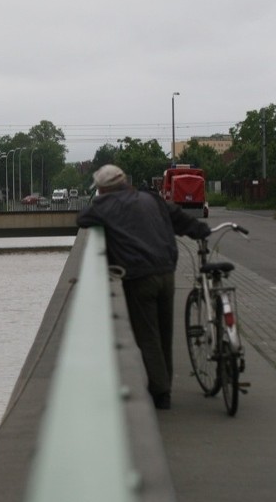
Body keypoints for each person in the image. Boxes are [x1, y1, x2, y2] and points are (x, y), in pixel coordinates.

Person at [77, 164, 211, 410]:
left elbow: (82, 219)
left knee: (148, 336)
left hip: (139, 277)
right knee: (165, 334)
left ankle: (161, 393)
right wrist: (200, 231)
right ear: (125, 181)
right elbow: (180, 219)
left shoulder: (104, 205)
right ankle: (164, 384)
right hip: (166, 272)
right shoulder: (151, 199)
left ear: (102, 189)